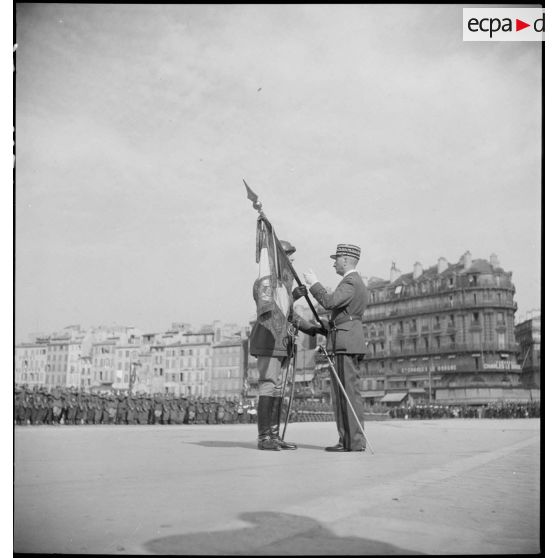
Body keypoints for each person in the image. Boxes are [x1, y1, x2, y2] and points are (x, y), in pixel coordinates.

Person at [250, 239, 324, 451]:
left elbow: (289, 316)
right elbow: (271, 312)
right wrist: (290, 296)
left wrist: (313, 329)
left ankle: (273, 435)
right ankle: (264, 437)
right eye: (288, 256)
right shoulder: (264, 283)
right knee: (268, 384)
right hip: (269, 340)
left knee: (278, 388)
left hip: (282, 343)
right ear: (278, 258)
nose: (291, 261)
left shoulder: (283, 286)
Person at [303, 243, 369, 452]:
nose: (333, 263)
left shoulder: (350, 281)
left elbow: (330, 301)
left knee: (346, 393)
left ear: (346, 260)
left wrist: (314, 285)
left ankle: (352, 442)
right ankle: (349, 440)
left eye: (336, 259)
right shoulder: (354, 282)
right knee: (346, 393)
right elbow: (342, 315)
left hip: (345, 343)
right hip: (346, 339)